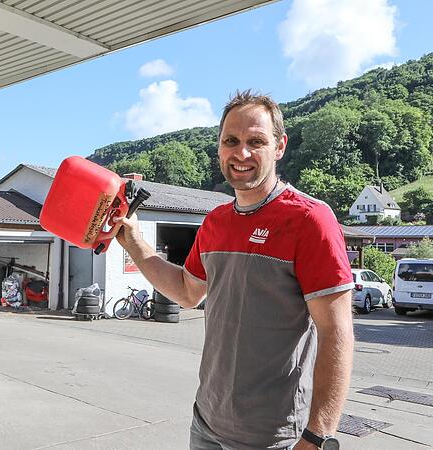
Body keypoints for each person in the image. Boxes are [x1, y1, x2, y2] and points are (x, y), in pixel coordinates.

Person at [114, 90, 354, 450]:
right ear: (219, 148)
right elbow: (186, 291)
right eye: (231, 141)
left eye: (256, 141)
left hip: (271, 435)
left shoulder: (309, 219)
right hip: (207, 421)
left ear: (280, 146)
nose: (241, 153)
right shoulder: (215, 222)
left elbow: (337, 333)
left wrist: (318, 435)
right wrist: (132, 239)